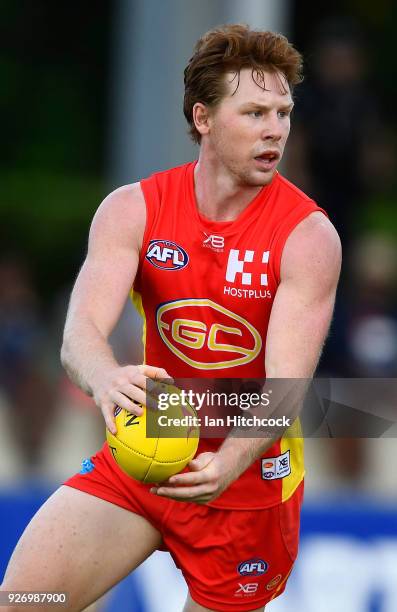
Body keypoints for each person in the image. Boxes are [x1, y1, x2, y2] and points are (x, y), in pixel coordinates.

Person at [1, 24, 341, 612]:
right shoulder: (133, 209)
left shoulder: (308, 237)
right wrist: (105, 377)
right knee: (26, 601)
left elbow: (285, 391)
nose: (276, 130)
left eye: (283, 113)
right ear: (203, 118)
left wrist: (227, 462)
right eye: (255, 111)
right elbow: (79, 334)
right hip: (145, 454)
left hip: (247, 484)